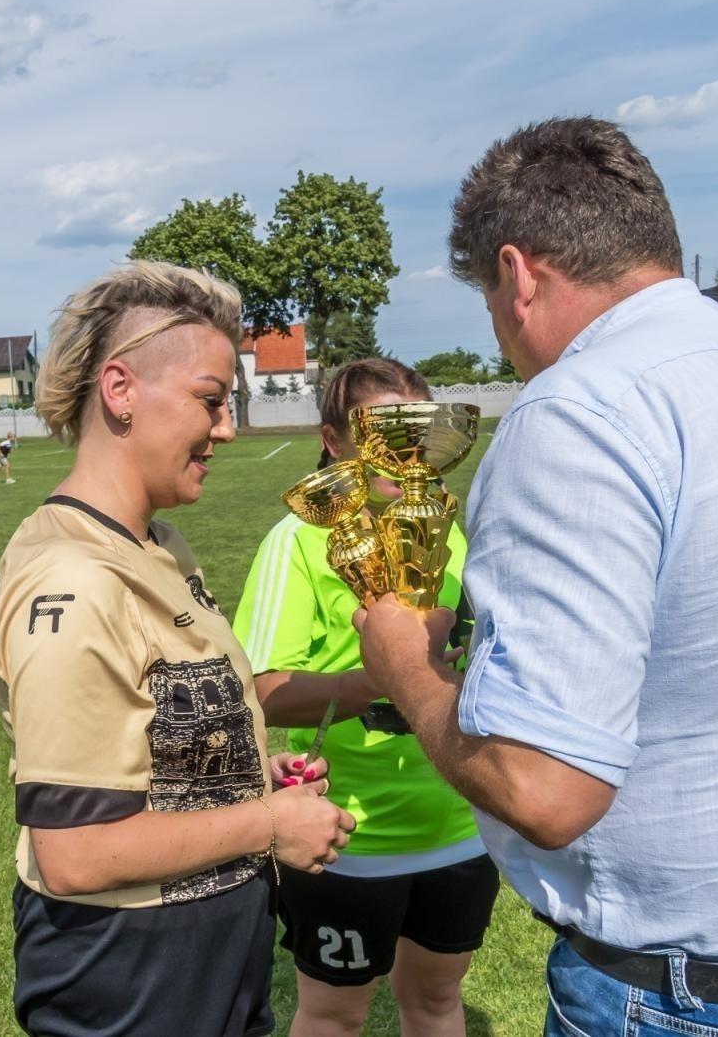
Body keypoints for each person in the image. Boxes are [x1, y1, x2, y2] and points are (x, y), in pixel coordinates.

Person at [356, 117, 718, 1035]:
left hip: (698, 993)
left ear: (518, 274)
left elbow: (544, 788)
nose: (503, 335)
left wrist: (402, 662)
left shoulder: (579, 411)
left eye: (490, 305)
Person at [0, 260, 356, 1037]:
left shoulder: (158, 544)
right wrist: (267, 824)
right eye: (210, 401)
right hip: (131, 979)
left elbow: (154, 736)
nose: (225, 428)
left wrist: (245, 776)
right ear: (120, 391)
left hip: (209, 961)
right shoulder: (74, 576)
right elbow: (74, 853)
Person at [232, 357, 498, 1037]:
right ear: (333, 439)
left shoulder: (443, 531)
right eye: (377, 430)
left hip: (460, 826)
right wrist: (385, 679)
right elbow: (258, 692)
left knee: (436, 1003)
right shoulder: (299, 540)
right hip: (347, 834)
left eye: (416, 429)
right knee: (335, 1015)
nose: (401, 450)